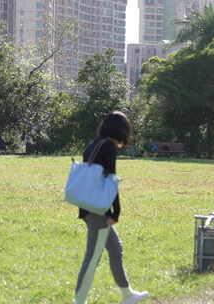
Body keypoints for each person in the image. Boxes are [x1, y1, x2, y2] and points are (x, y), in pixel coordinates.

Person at [73, 111, 149, 304]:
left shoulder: (94, 144)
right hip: (99, 211)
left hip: (89, 207)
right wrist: (115, 213)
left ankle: (127, 295)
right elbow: (110, 183)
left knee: (115, 249)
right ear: (121, 130)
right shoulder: (108, 147)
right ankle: (78, 301)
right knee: (92, 258)